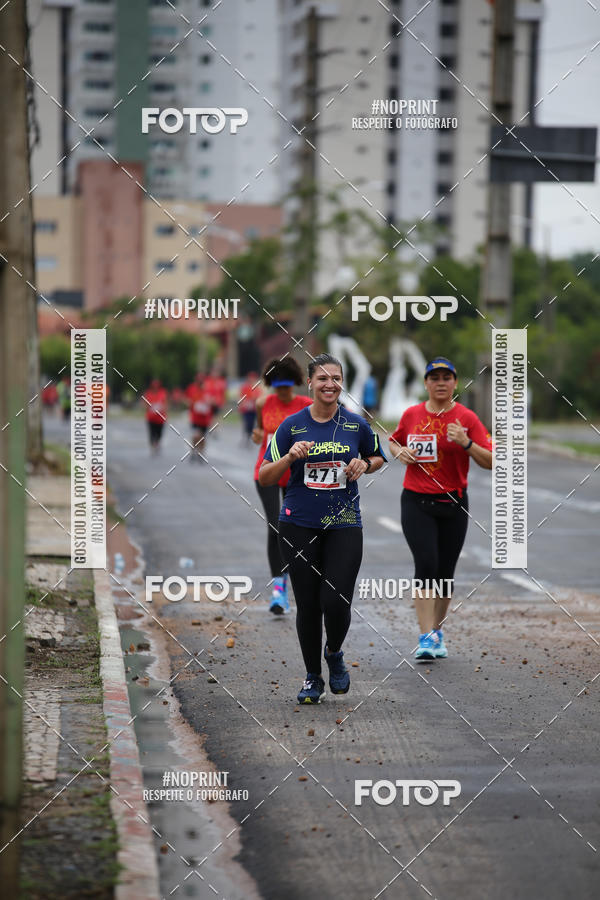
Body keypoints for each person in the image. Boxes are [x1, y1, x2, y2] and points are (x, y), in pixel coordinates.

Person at [259, 353, 386, 703]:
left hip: (344, 523)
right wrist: (289, 457)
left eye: (336, 378)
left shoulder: (356, 424)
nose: (330, 384)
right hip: (298, 524)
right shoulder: (291, 426)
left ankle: (334, 652)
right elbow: (265, 475)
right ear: (310, 383)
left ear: (342, 383)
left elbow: (377, 456)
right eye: (323, 378)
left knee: (336, 599)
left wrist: (365, 464)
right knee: (309, 605)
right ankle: (313, 677)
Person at [388, 357, 492, 661]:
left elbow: (492, 461)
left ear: (455, 383)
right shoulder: (412, 414)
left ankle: (437, 631)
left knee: (445, 572)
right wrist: (401, 452)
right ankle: (425, 636)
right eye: (435, 378)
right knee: (426, 562)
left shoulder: (467, 418)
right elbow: (393, 441)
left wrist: (466, 443)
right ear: (426, 383)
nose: (441, 383)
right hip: (416, 501)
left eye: (447, 378)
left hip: (454, 503)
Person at [252, 358, 312, 614]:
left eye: (287, 388)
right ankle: (279, 589)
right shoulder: (263, 404)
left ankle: (297, 580)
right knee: (275, 526)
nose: (283, 393)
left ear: (295, 384)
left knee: (295, 529)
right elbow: (259, 432)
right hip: (267, 472)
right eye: (278, 388)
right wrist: (257, 435)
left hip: (297, 475)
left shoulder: (306, 406)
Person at [185, 373, 213, 462]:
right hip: (195, 418)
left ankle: (201, 453)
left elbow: (213, 401)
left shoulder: (208, 390)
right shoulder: (192, 389)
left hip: (205, 419)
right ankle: (193, 450)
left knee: (202, 437)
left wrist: (208, 403)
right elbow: (186, 400)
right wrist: (192, 404)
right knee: (196, 435)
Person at [142, 378, 168, 454]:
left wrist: (161, 407)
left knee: (159, 433)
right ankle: (153, 446)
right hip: (151, 418)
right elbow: (145, 404)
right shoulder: (148, 393)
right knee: (152, 433)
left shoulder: (162, 393)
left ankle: (157, 444)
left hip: (160, 418)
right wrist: (150, 407)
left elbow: (165, 403)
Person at [239, 372, 260, 445]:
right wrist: (243, 403)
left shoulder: (257, 388)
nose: (252, 380)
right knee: (246, 423)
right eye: (251, 378)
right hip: (246, 409)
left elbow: (258, 398)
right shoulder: (245, 387)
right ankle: (245, 437)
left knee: (251, 424)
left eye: (253, 378)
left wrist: (254, 399)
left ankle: (249, 437)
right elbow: (242, 397)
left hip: (253, 409)